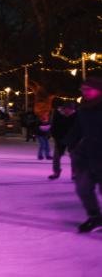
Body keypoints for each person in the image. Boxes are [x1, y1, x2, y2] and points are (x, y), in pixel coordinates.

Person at [66, 78, 102, 233]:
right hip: (87, 156)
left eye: (88, 89)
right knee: (83, 188)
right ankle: (95, 218)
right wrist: (71, 145)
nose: (85, 92)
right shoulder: (84, 110)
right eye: (83, 90)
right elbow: (77, 130)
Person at [49, 102, 77, 180]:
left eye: (71, 110)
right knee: (56, 156)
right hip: (60, 138)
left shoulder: (76, 115)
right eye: (68, 110)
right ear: (64, 109)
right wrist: (56, 137)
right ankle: (56, 172)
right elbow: (53, 126)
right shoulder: (57, 115)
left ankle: (75, 173)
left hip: (73, 138)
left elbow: (79, 127)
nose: (69, 112)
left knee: (74, 156)